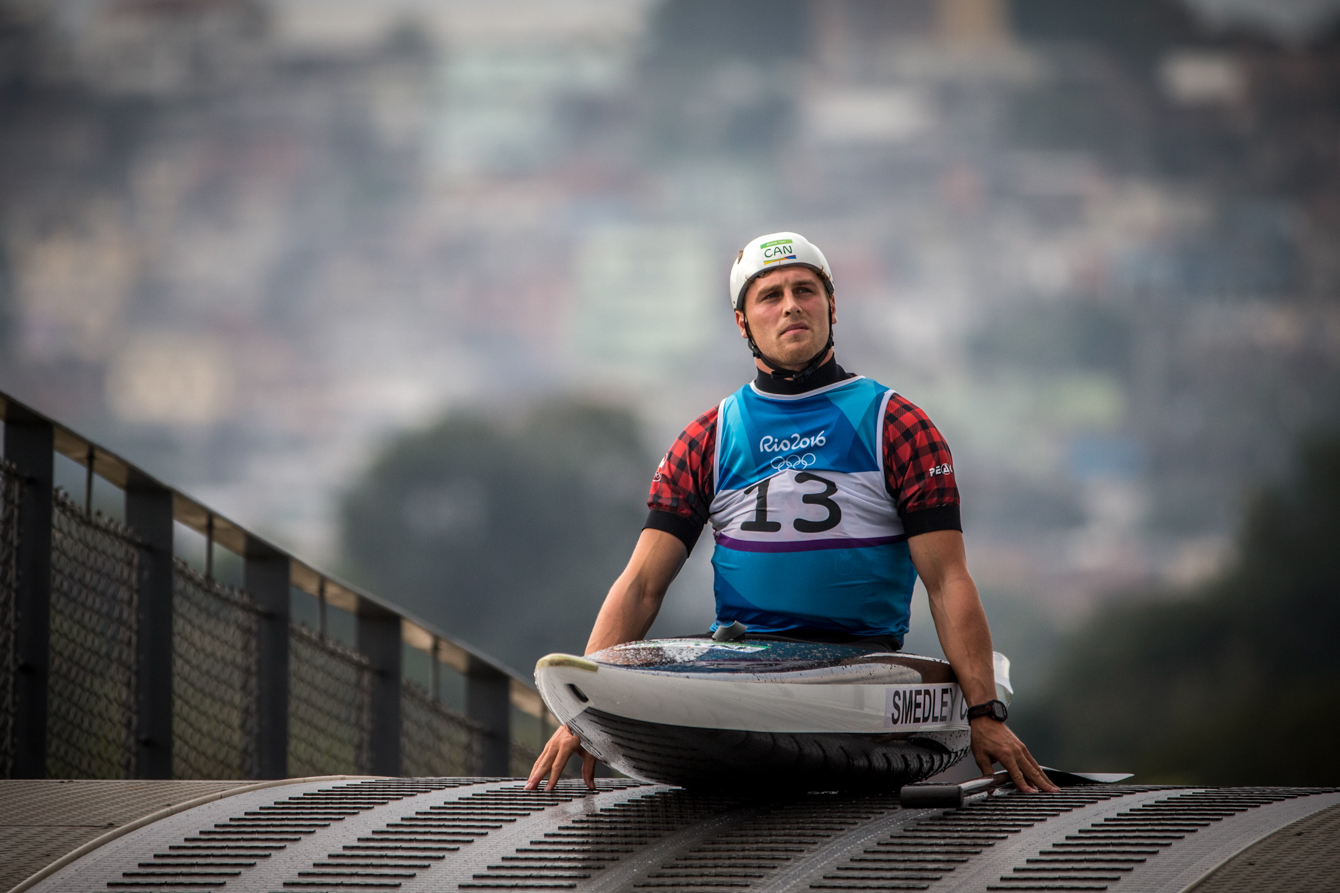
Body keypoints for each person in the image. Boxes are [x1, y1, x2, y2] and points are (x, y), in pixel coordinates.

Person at [525, 232, 1058, 794]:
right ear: (743, 322)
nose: (791, 306)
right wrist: (583, 712)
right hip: (745, 660)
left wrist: (985, 713)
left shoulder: (898, 424)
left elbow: (948, 581)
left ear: (831, 306)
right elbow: (641, 586)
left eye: (805, 290)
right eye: (770, 296)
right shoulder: (707, 438)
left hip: (859, 663)